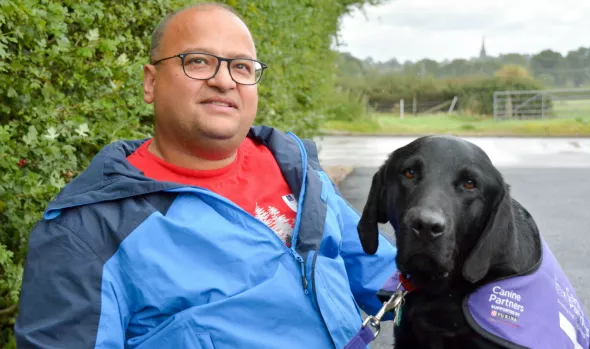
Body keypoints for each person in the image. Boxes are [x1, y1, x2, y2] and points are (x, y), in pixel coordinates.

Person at [14, 3, 396, 349]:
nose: (225, 81)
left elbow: (394, 279)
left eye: (242, 66)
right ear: (151, 82)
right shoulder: (86, 231)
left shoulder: (299, 171)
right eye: (198, 61)